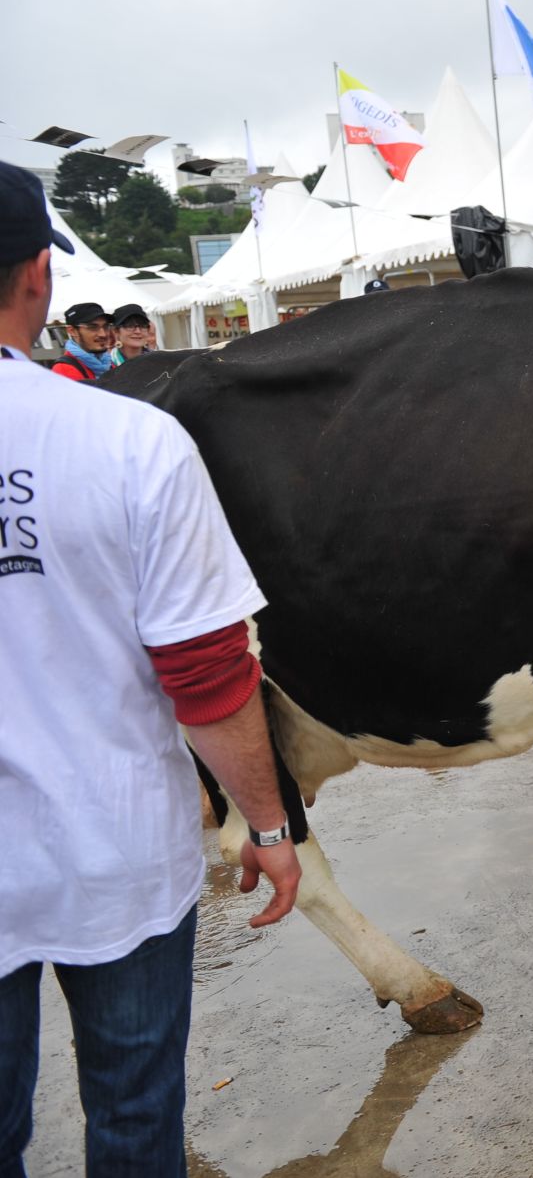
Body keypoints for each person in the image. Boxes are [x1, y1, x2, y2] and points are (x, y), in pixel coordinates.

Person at [0, 159, 303, 1176]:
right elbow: (208, 672)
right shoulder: (130, 442)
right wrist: (267, 824)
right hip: (115, 846)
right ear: (39, 275)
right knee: (133, 1117)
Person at [50, 302, 116, 381]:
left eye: (106, 326)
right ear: (72, 331)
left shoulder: (108, 363)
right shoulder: (64, 369)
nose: (103, 334)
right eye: (92, 327)